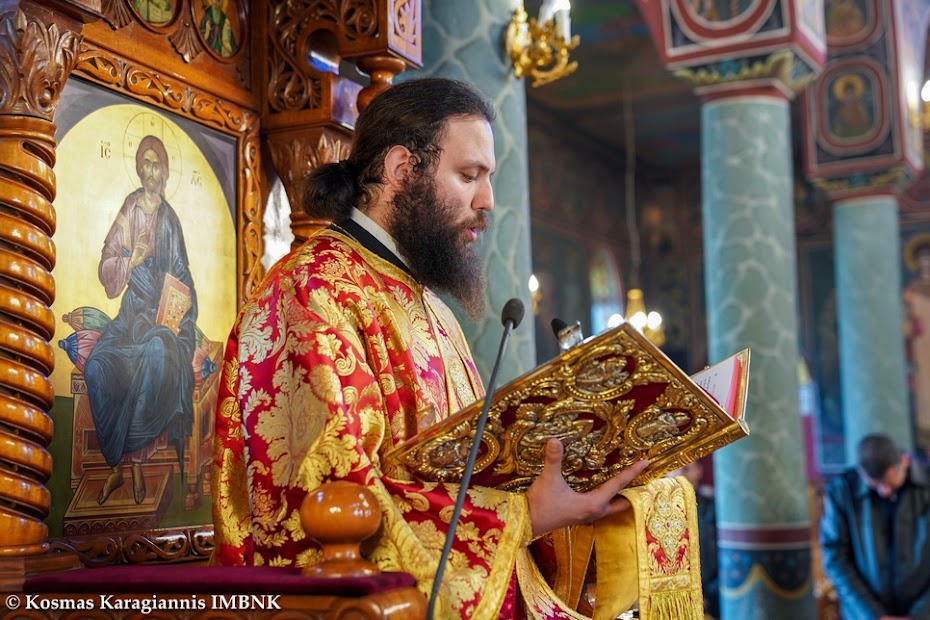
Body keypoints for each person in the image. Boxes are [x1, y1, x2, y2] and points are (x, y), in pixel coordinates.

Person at [212, 78, 651, 618]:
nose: (487, 201)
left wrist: (575, 478)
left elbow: (473, 467)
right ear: (402, 169)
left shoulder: (431, 307)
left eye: (488, 178)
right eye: (469, 175)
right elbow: (335, 496)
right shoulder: (312, 291)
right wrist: (525, 516)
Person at [86, 134, 197, 505]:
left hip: (159, 318)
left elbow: (181, 274)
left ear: (165, 171)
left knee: (155, 355)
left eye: (157, 164)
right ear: (138, 168)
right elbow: (106, 262)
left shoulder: (170, 220)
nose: (151, 172)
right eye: (145, 164)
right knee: (98, 365)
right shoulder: (130, 208)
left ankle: (133, 464)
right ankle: (118, 466)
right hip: (130, 313)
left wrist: (173, 312)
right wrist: (131, 260)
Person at [820, 433, 930, 620]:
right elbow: (835, 557)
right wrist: (873, 615)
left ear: (904, 461)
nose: (884, 492)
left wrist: (920, 615)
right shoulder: (842, 490)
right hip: (864, 614)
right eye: (875, 485)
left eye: (889, 482)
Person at [670, 460, 719, 620]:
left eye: (685, 469)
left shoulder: (713, 507)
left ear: (698, 471)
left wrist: (707, 596)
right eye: (673, 470)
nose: (678, 475)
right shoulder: (658, 511)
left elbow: (723, 557)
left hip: (711, 598)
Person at [904, 233, 930, 452]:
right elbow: (904, 326)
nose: (927, 263)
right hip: (922, 350)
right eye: (923, 259)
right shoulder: (911, 293)